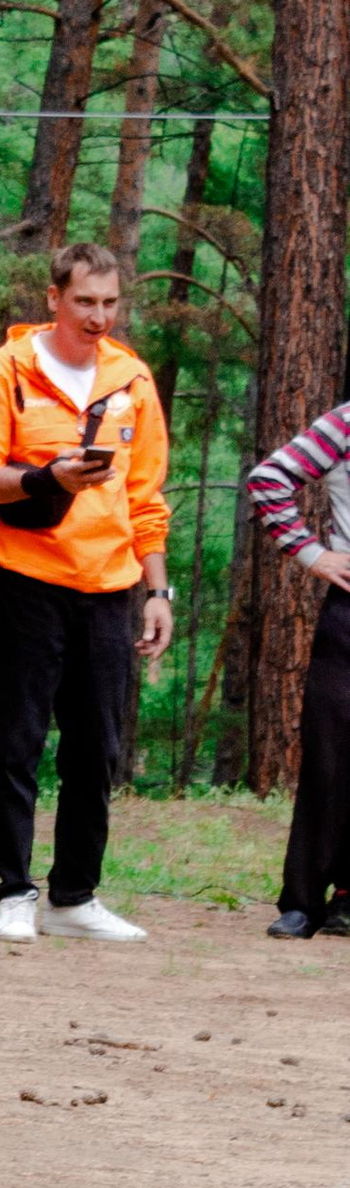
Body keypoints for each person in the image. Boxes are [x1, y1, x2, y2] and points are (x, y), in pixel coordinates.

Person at [0, 239, 172, 942]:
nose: (98, 316)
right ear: (54, 298)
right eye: (84, 301)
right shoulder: (3, 371)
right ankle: (15, 892)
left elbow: (146, 496)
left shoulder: (132, 379)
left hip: (110, 587)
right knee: (16, 742)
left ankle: (74, 898)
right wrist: (47, 478)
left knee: (96, 748)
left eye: (109, 302)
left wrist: (158, 590)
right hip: (27, 579)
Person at [242, 393, 350, 938]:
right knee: (331, 754)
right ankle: (303, 902)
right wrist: (313, 553)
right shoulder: (347, 423)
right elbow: (269, 479)